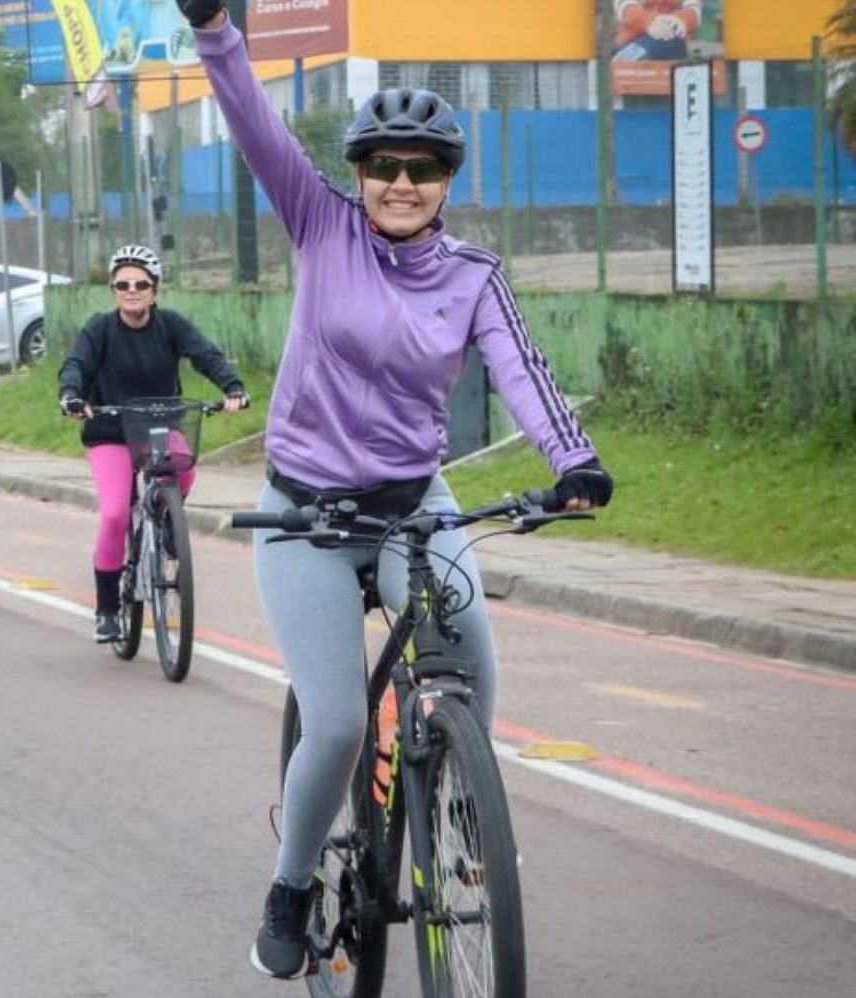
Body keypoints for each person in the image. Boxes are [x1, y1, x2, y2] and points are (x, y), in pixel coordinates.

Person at [175, 1, 616, 980]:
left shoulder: (473, 275)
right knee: (334, 721)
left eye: (423, 167)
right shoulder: (317, 222)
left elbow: (522, 369)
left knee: (471, 669)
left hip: (415, 502)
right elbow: (252, 117)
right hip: (304, 516)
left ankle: (459, 827)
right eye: (384, 164)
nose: (402, 182)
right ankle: (292, 881)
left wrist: (572, 461)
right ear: (360, 174)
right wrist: (214, 27)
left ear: (447, 181)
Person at [57, 244, 250, 644]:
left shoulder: (172, 326)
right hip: (110, 431)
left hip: (158, 426)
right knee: (114, 515)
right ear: (112, 290)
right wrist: (72, 396)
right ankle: (108, 609)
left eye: (141, 284)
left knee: (186, 465)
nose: (132, 291)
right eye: (122, 284)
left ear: (155, 290)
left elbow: (205, 355)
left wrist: (232, 386)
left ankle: (165, 520)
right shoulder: (100, 329)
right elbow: (76, 365)